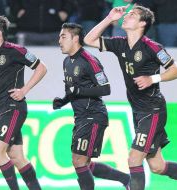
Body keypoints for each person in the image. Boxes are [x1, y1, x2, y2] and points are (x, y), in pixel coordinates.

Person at [84, 4, 177, 190]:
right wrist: (109, 19)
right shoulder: (119, 43)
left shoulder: (152, 47)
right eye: (127, 14)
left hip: (153, 110)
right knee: (157, 166)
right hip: (138, 110)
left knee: (134, 158)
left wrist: (152, 78)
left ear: (142, 23)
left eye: (132, 15)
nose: (127, 16)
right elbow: (89, 39)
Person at [0, 15, 47, 190]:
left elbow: (42, 68)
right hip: (0, 109)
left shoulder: (16, 50)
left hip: (13, 108)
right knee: (17, 157)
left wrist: (24, 90)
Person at [53, 22, 130, 190]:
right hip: (81, 117)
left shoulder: (89, 60)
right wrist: (64, 100)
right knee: (84, 163)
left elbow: (105, 88)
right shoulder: (67, 62)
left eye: (63, 36)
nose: (59, 40)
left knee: (78, 160)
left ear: (75, 38)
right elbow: (73, 91)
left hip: (93, 115)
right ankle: (126, 179)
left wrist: (78, 90)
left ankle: (125, 180)